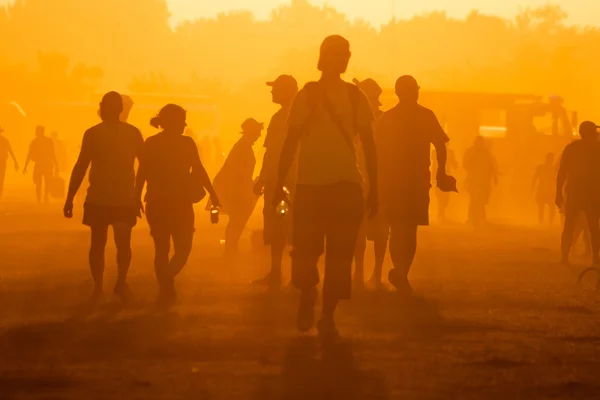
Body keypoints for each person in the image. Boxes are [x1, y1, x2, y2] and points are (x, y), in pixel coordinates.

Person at [275, 35, 378, 336]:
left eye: (347, 53)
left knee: (340, 256)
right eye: (340, 54)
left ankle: (328, 315)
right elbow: (290, 142)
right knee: (305, 252)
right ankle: (308, 293)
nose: (346, 58)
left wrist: (375, 188)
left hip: (346, 185)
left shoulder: (356, 96)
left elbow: (370, 146)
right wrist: (280, 182)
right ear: (326, 57)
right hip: (311, 185)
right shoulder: (306, 95)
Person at [376, 75, 455, 295]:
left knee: (403, 229)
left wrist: (441, 172)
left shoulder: (392, 118)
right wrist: (440, 172)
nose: (416, 93)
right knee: (406, 229)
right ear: (406, 92)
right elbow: (440, 145)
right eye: (413, 90)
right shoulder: (422, 116)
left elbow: (440, 145)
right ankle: (401, 274)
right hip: (410, 182)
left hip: (404, 182)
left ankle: (401, 273)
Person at [63, 92, 144, 304]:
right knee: (116, 243)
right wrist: (70, 197)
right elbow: (81, 166)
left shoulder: (98, 133)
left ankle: (107, 286)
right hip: (112, 197)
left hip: (112, 198)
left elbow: (81, 166)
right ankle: (111, 284)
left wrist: (70, 198)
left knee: (104, 243)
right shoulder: (128, 133)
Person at [136, 104, 220, 306]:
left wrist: (136, 197)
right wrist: (213, 194)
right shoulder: (183, 144)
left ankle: (165, 284)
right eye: (182, 120)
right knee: (182, 248)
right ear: (173, 122)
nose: (185, 124)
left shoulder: (155, 143)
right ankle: (166, 285)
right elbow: (198, 170)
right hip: (176, 203)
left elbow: (142, 174)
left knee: (164, 249)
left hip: (159, 202)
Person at [252, 74, 299, 289]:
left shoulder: (286, 117)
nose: (272, 92)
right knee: (282, 227)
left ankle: (285, 274)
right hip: (285, 180)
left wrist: (265, 178)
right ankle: (281, 273)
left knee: (285, 227)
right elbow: (271, 152)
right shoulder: (285, 116)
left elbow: (274, 153)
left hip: (286, 181)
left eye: (276, 88)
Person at [351, 77, 384, 289]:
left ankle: (371, 273)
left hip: (376, 179)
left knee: (377, 231)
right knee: (360, 230)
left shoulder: (382, 121)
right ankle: (362, 273)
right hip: (360, 179)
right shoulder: (355, 120)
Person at [211, 119, 262, 255]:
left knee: (236, 221)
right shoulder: (242, 147)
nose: (259, 136)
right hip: (237, 190)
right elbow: (236, 171)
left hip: (240, 188)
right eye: (257, 133)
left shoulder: (242, 146)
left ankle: (231, 249)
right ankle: (230, 250)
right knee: (236, 221)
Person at [556, 121, 600, 265]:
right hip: (592, 194)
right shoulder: (597, 148)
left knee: (569, 225)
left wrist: (558, 192)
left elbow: (562, 171)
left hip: (575, 193)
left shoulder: (572, 148)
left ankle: (564, 257)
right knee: (593, 227)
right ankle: (595, 257)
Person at [463, 136, 499, 227]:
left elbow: (491, 165)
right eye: (479, 143)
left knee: (481, 200)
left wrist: (495, 176)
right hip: (473, 180)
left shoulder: (486, 153)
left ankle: (479, 219)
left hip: (484, 181)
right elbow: (465, 165)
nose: (480, 144)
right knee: (475, 199)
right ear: (475, 143)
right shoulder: (470, 152)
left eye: (481, 143)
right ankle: (474, 220)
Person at [23, 126, 58, 204]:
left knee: (43, 182)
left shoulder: (36, 141)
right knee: (41, 182)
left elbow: (52, 153)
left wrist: (25, 166)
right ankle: (43, 196)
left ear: (40, 131)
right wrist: (56, 164)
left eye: (37, 131)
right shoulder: (46, 141)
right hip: (45, 164)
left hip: (42, 164)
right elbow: (30, 154)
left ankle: (43, 196)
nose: (35, 132)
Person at [432, 147, 458, 223]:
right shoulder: (435, 151)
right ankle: (441, 214)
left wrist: (455, 165)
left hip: (446, 176)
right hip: (438, 176)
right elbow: (434, 162)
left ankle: (441, 213)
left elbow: (453, 162)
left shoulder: (450, 152)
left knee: (446, 197)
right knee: (440, 196)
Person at [532, 153, 557, 226]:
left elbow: (556, 179)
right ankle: (541, 222)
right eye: (549, 159)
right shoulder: (540, 168)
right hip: (541, 190)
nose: (550, 161)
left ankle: (550, 223)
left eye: (551, 159)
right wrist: (532, 186)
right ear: (546, 159)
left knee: (552, 207)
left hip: (550, 191)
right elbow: (535, 177)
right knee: (541, 207)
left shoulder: (553, 169)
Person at [0, 127, 19, 200]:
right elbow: (11, 151)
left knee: (1, 178)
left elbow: (10, 151)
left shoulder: (5, 141)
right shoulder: (5, 140)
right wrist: (15, 162)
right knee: (1, 178)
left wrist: (15, 162)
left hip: (2, 161)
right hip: (2, 161)